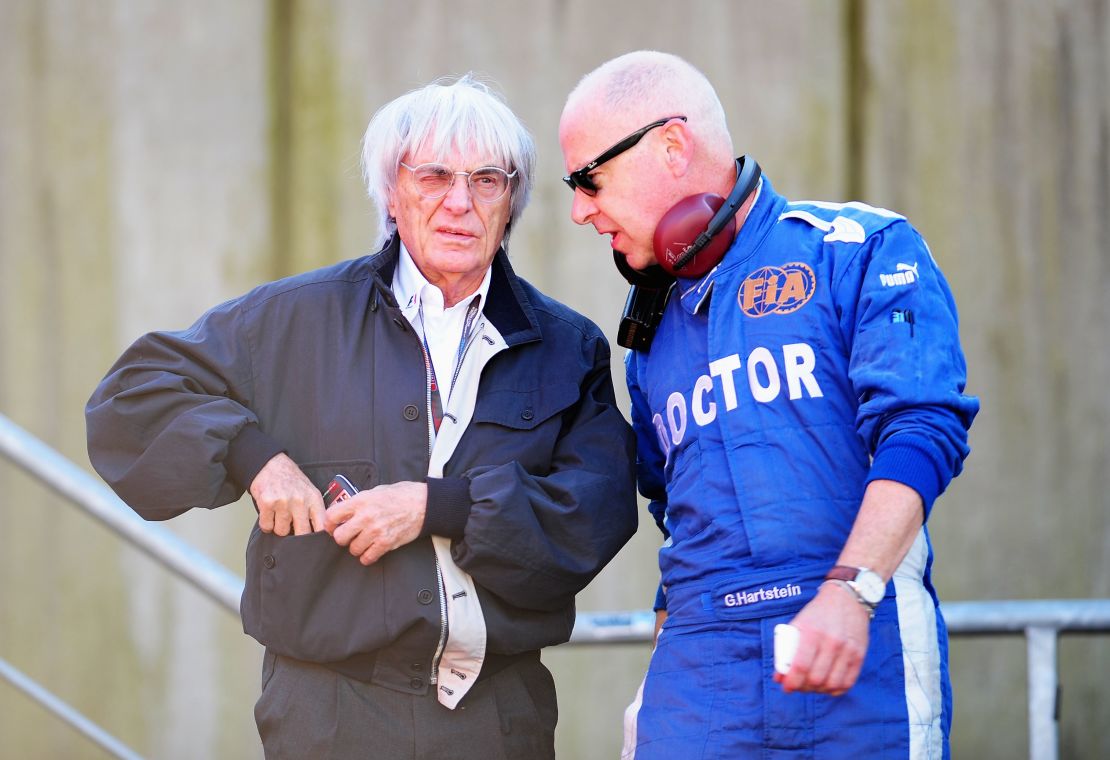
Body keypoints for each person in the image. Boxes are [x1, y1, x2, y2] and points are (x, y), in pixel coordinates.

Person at [86, 73, 638, 760]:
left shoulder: (566, 344)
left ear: (512, 200)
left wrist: (441, 507)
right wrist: (250, 455)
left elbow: (599, 507)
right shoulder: (296, 317)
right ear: (392, 193)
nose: (459, 203)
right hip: (330, 715)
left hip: (498, 717)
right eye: (433, 176)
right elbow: (132, 396)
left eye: (487, 180)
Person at [558, 51, 979, 759]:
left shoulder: (857, 249)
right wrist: (662, 676)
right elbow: (674, 513)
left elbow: (923, 428)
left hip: (857, 639)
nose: (578, 210)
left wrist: (851, 590)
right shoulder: (649, 336)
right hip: (700, 675)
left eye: (589, 180)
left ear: (670, 146)